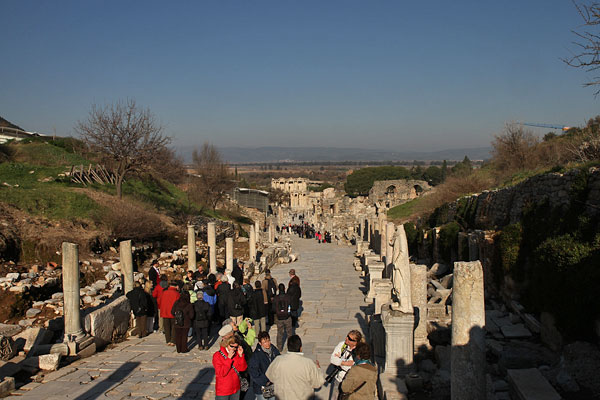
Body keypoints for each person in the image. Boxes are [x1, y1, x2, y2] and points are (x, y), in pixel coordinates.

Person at [265, 335, 325, 400]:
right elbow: (318, 383)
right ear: (300, 348)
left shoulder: (278, 360)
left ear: (288, 347)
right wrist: (318, 369)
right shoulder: (308, 363)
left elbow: (269, 376)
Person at [329, 330, 363, 399]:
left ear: (355, 342)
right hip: (339, 379)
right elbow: (332, 359)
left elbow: (355, 367)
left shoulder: (359, 351)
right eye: (347, 336)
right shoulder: (342, 345)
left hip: (351, 382)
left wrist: (339, 360)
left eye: (350, 339)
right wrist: (346, 363)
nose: (346, 339)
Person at [213, 335, 248, 400]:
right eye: (231, 346)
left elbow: (242, 368)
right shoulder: (217, 355)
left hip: (236, 389)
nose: (233, 349)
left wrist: (241, 356)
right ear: (226, 344)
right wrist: (228, 359)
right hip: (223, 391)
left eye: (236, 347)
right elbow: (222, 373)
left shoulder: (236, 353)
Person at [249, 331, 280, 400]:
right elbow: (254, 373)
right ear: (260, 343)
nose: (267, 343)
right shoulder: (256, 355)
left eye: (268, 341)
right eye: (265, 342)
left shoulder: (274, 350)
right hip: (261, 388)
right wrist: (266, 381)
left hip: (273, 385)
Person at [158, 281, 180, 346]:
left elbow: (159, 301)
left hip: (165, 311)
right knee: (174, 327)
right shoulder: (177, 293)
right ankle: (173, 340)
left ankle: (168, 340)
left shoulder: (164, 292)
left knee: (166, 327)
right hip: (173, 312)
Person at [272, 283, 292, 351]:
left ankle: (279, 347)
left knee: (280, 333)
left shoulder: (276, 298)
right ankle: (290, 347)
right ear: (284, 289)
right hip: (287, 317)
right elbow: (291, 305)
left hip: (279, 317)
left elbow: (273, 309)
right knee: (289, 333)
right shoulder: (288, 297)